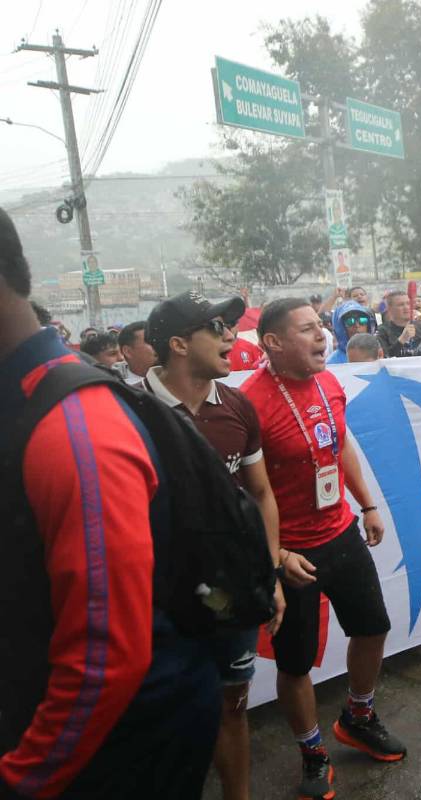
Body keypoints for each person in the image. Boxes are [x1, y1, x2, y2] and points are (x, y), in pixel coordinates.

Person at [0, 208, 220, 797]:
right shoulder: (22, 400)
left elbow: (104, 660)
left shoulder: (73, 426)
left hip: (115, 749)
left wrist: (20, 780)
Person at [241, 299, 406, 798]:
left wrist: (368, 505)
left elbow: (341, 446)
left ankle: (358, 716)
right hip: (293, 554)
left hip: (340, 533)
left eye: (320, 327)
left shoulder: (329, 382)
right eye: (308, 329)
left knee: (373, 628)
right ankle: (312, 753)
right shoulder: (250, 404)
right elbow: (244, 494)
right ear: (272, 342)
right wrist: (273, 557)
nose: (322, 337)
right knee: (295, 665)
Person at [142, 290, 287, 800]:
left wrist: (270, 576)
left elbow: (263, 494)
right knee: (169, 718)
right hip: (160, 609)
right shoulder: (129, 413)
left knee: (233, 704)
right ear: (179, 345)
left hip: (230, 599)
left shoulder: (238, 406)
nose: (232, 337)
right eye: (217, 328)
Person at [375, 289, 421, 357]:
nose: (406, 307)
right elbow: (383, 357)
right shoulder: (382, 331)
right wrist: (402, 340)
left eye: (408, 303)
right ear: (390, 309)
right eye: (400, 305)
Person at [328, 301, 377, 365]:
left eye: (362, 320)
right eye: (350, 321)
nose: (357, 325)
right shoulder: (331, 365)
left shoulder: (378, 354)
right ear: (340, 328)